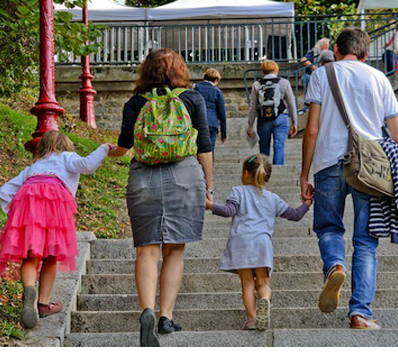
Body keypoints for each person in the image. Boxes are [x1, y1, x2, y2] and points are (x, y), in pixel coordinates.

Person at [301, 27, 398, 329]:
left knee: (329, 228)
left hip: (328, 162)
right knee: (366, 242)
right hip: (370, 168)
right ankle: (360, 313)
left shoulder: (322, 74)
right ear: (366, 53)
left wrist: (303, 174)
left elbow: (311, 130)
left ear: (335, 50)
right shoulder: (379, 78)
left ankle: (334, 264)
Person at [108, 48, 214, 347]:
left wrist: (104, 152)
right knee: (174, 250)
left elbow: (125, 144)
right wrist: (208, 186)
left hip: (144, 177)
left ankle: (146, 311)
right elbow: (204, 146)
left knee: (147, 250)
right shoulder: (193, 98)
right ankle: (166, 315)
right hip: (184, 176)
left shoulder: (135, 102)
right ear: (180, 70)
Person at [0, 131, 113, 329]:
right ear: (66, 146)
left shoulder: (32, 168)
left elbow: (4, 192)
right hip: (55, 208)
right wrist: (105, 148)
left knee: (30, 257)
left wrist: (15, 215)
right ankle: (43, 303)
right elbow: (88, 165)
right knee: (51, 256)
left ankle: (29, 290)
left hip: (28, 207)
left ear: (41, 149)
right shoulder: (67, 158)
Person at [206, 154, 312, 331]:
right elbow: (295, 215)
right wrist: (307, 203)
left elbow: (227, 210)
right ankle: (264, 300)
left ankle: (253, 318)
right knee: (263, 282)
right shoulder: (273, 198)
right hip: (262, 243)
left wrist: (209, 204)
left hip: (241, 242)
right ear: (267, 178)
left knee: (247, 283)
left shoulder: (238, 191)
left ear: (246, 173)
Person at [246, 60, 298, 165]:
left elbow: (253, 107)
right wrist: (294, 123)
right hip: (281, 118)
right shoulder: (284, 82)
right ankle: (278, 172)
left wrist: (250, 125)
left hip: (264, 119)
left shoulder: (257, 84)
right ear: (276, 70)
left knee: (264, 148)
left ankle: (264, 172)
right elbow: (292, 104)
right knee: (279, 146)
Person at [193, 68, 227, 155]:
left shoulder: (195, 88)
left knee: (196, 149)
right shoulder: (217, 92)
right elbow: (222, 114)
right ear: (215, 80)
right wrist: (224, 133)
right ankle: (209, 167)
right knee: (209, 150)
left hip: (197, 122)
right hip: (211, 123)